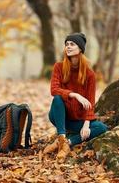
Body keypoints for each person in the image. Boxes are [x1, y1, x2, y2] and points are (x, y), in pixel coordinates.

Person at [43, 32, 108, 162]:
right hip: (60, 117)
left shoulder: (89, 74)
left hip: (78, 119)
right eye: (66, 44)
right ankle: (61, 136)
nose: (68, 46)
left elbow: (90, 102)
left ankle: (66, 143)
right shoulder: (59, 67)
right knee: (57, 98)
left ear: (80, 49)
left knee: (102, 128)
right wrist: (75, 95)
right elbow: (54, 90)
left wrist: (86, 124)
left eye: (72, 44)